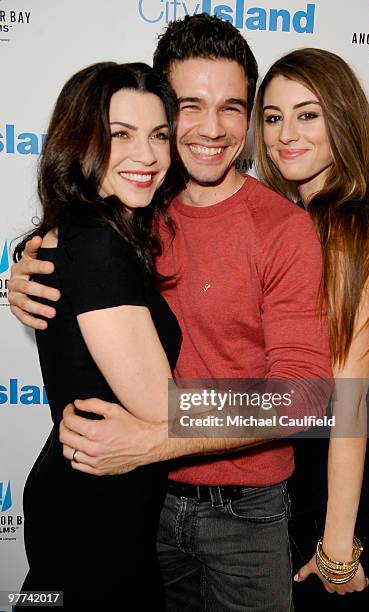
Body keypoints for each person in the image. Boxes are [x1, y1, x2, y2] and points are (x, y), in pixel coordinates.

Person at [9, 15, 332, 612]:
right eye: (189, 106)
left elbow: (309, 397)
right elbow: (76, 244)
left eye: (233, 107)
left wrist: (152, 443)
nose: (212, 129)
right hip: (141, 508)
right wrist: (23, 270)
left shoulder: (284, 229)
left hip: (246, 516)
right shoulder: (131, 210)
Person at [12, 61, 184, 610]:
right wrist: (292, 402)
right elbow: (167, 407)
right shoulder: (97, 245)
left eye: (159, 135)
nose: (148, 155)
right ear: (80, 141)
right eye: (120, 135)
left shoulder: (92, 233)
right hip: (94, 513)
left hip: (93, 502)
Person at [253, 47, 369, 611]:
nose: (285, 135)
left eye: (307, 113)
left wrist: (339, 547)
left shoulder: (346, 226)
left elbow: (349, 398)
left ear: (342, 121)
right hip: (330, 452)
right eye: (273, 117)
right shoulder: (308, 219)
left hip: (357, 464)